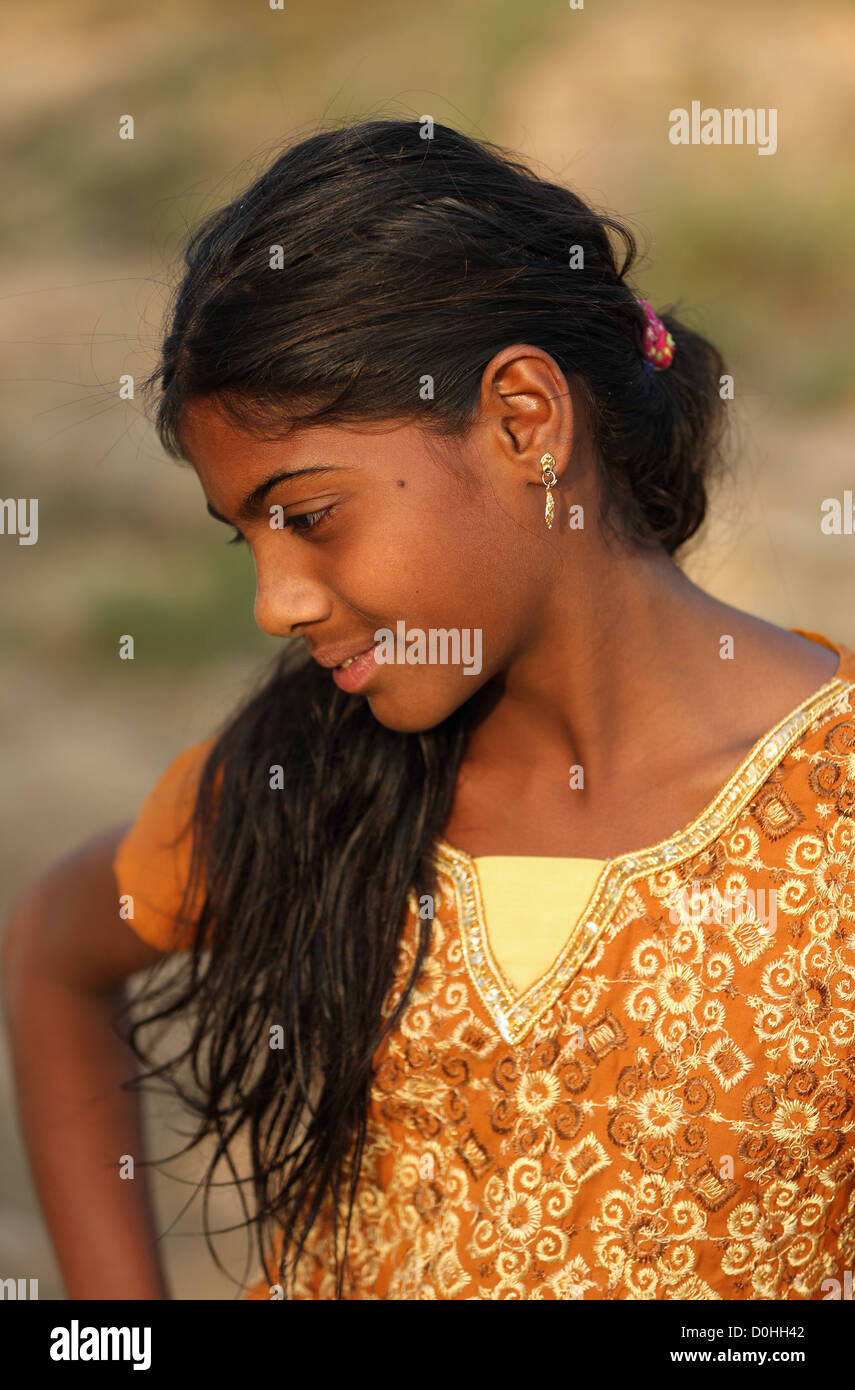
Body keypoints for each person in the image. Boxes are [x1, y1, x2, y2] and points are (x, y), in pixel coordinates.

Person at [4, 118, 854, 1302]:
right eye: (243, 534)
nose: (274, 602)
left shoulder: (835, 822)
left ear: (524, 421)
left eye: (308, 514)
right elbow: (56, 949)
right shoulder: (313, 781)